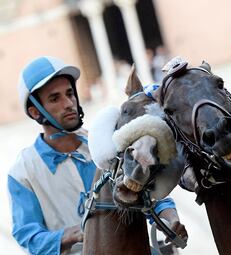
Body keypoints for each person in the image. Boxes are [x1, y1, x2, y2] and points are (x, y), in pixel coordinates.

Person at [7, 56, 187, 255]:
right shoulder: (21, 173)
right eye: (54, 98)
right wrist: (70, 235)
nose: (68, 103)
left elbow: (149, 190)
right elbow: (27, 236)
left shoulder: (106, 144)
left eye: (69, 94)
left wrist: (171, 218)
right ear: (35, 112)